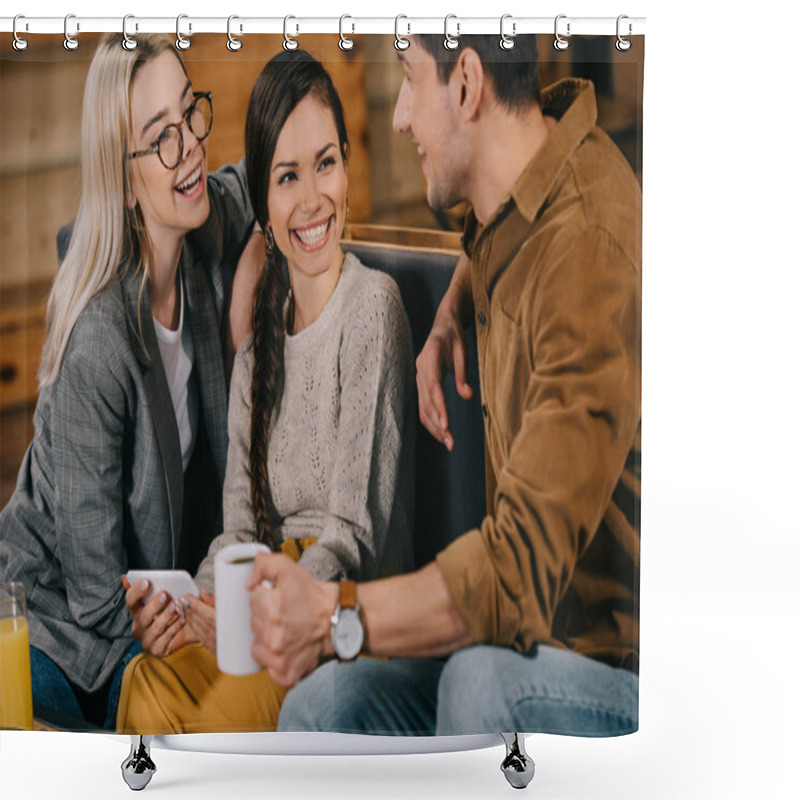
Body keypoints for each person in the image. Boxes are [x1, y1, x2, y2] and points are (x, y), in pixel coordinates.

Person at [247, 33, 641, 737]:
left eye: (407, 80)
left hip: (611, 671)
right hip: (516, 641)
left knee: (478, 681)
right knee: (320, 706)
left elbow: (514, 574)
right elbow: (499, 218)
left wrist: (337, 614)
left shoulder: (588, 250)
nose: (399, 117)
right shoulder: (525, 180)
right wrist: (451, 313)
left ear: (465, 84)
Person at [115, 50, 415, 735]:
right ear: (262, 197)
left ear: (347, 163)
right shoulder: (259, 348)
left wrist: (261, 614)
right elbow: (241, 533)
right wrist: (194, 604)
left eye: (326, 163)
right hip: (262, 608)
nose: (311, 199)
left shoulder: (373, 308)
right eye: (286, 177)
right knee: (147, 678)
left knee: (215, 723)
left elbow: (353, 538)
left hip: (335, 617)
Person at [0, 33, 259, 729]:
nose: (191, 147)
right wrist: (180, 621)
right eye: (161, 138)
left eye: (190, 114)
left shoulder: (203, 228)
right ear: (121, 179)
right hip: (58, 629)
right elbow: (93, 598)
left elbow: (266, 170)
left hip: (148, 611)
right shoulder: (98, 345)